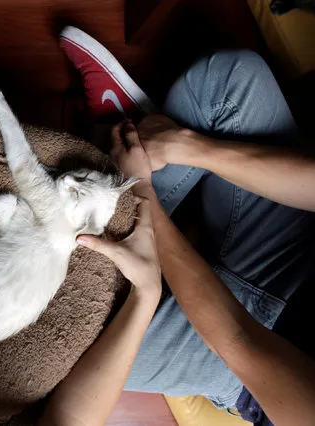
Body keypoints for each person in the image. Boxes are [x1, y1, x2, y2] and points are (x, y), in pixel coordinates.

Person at [38, 27, 315, 425]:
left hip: (240, 371)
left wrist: (142, 193)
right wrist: (190, 146)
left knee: (65, 352)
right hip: (297, 254)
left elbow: (239, 340)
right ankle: (122, 147)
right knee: (228, 82)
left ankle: (119, 159)